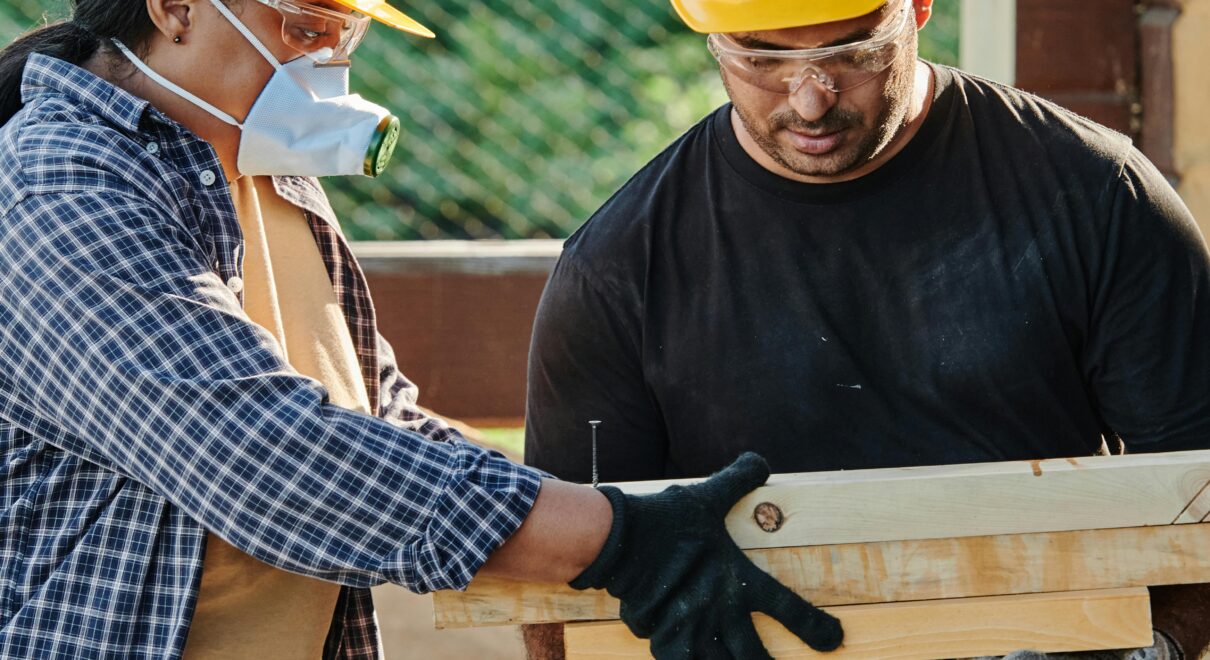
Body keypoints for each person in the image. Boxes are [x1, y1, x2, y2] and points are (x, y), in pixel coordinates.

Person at [0, 1, 844, 658]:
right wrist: (615, 540)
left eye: (347, 31)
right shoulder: (60, 188)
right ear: (175, 11)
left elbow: (377, 419)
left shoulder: (269, 177)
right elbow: (255, 453)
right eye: (304, 26)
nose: (329, 61)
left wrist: (608, 513)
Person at [523, 0, 1210, 657]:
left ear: (919, 8)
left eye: (851, 51)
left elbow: (1202, 486)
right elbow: (555, 586)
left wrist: (1155, 651)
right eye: (761, 58)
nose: (810, 98)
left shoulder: (1101, 198)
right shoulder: (617, 269)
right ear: (714, 43)